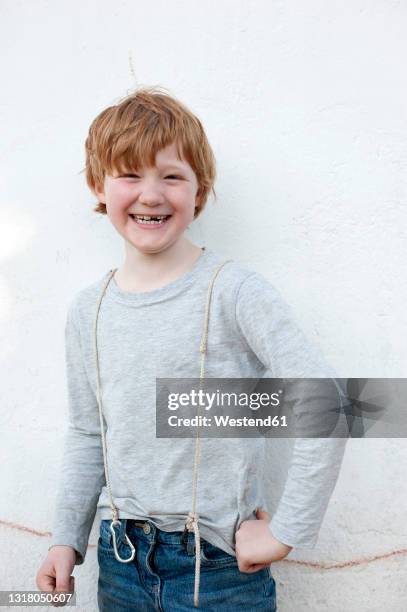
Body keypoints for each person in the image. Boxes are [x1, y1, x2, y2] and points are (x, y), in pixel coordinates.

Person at [36, 86, 347, 610]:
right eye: (130, 174)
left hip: (219, 572)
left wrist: (285, 531)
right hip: (120, 564)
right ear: (98, 184)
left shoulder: (233, 292)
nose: (151, 195)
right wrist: (65, 540)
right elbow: (89, 431)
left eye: (172, 176)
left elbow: (328, 404)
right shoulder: (87, 310)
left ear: (199, 191)